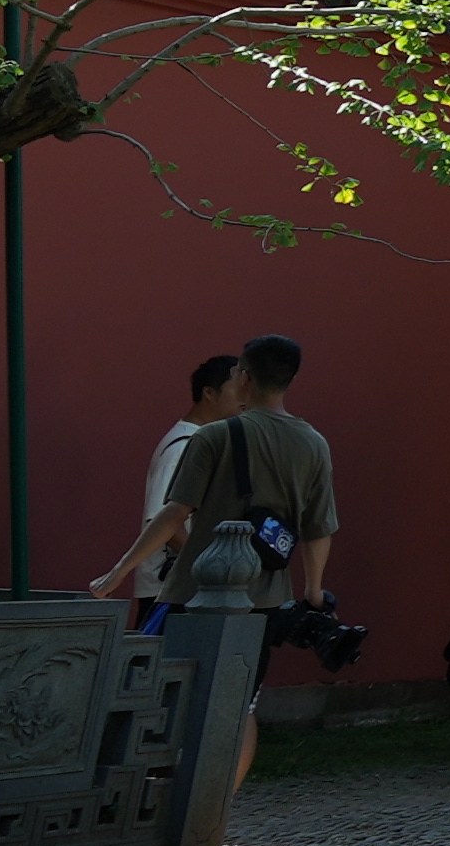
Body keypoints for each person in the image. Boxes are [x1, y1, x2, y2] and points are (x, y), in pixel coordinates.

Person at [119, 336, 340, 797]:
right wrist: (315, 590)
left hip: (192, 590)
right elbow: (319, 528)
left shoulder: (214, 436)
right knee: (240, 704)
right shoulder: (313, 442)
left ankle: (160, 809)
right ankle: (213, 813)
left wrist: (119, 571)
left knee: (168, 698)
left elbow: (173, 513)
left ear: (245, 377)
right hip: (264, 595)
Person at [96, 353, 239, 594]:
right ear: (209, 393)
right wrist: (213, 565)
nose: (244, 399)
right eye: (236, 390)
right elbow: (165, 522)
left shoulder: (201, 441)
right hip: (169, 589)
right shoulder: (185, 446)